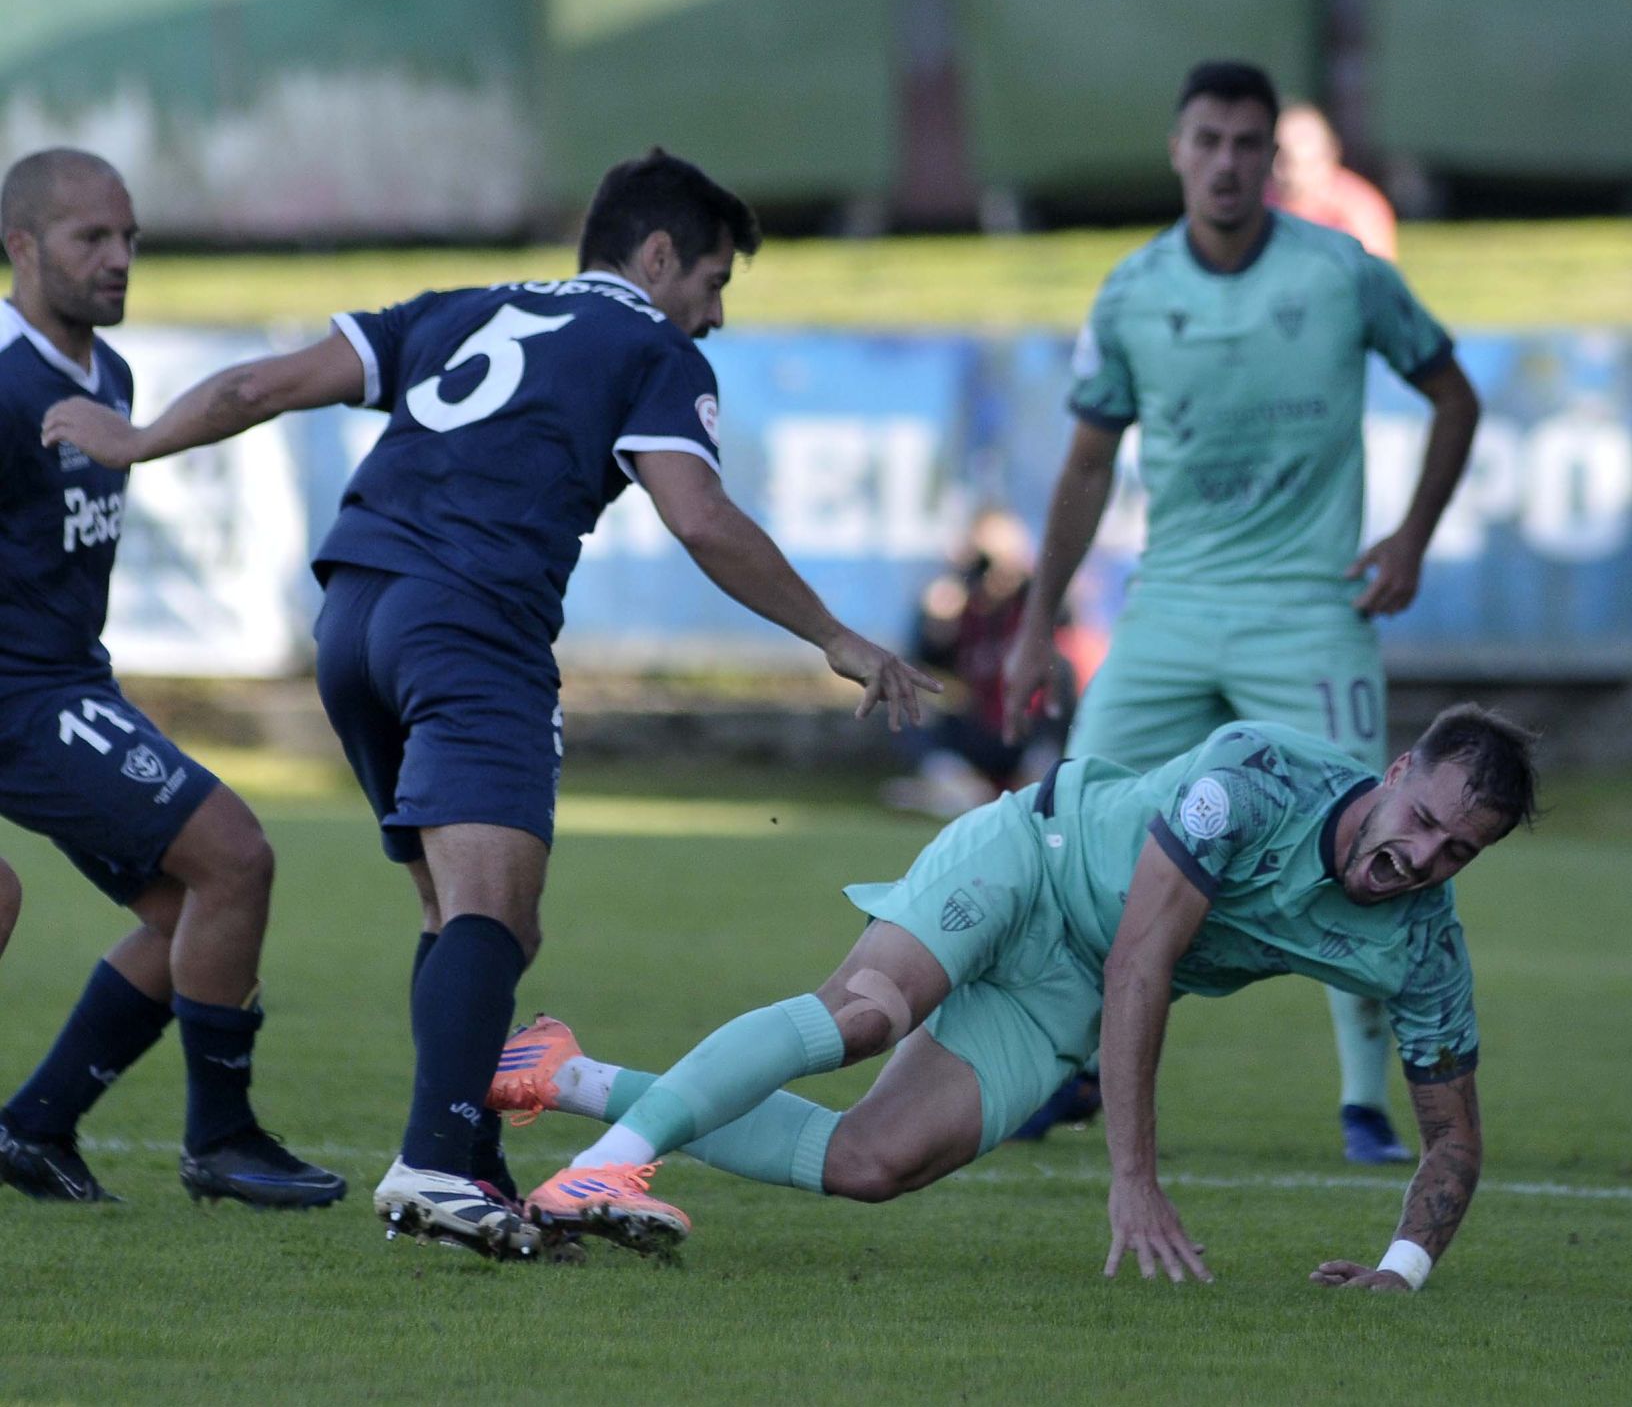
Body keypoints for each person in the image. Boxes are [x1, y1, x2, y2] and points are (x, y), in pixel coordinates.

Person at [43, 148, 938, 1258]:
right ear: (657, 257)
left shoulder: (461, 307)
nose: (710, 320)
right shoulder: (648, 347)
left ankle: (466, 1162)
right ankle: (430, 1162)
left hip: (355, 617)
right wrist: (836, 637)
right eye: (711, 285)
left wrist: (134, 441)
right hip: (472, 625)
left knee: (465, 913)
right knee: (490, 913)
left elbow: (254, 386)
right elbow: (700, 517)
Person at [487, 704, 1536, 1288]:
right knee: (863, 1016)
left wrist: (1403, 1272)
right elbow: (1143, 964)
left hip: (1065, 986)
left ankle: (563, 1075)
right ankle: (600, 1173)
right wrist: (1134, 1176)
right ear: (1397, 770)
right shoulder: (1253, 775)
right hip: (1033, 859)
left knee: (871, 1164)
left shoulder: (1423, 949)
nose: (1426, 856)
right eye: (1425, 818)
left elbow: (1455, 1142)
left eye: (1460, 851)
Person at [1000, 62, 1481, 1165]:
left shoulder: (1343, 274)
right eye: (1207, 140)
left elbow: (1455, 394)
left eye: (1246, 144)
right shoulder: (1130, 292)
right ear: (1177, 149)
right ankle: (1058, 1068)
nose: (1226, 162)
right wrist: (1038, 621)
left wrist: (1409, 537)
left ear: (1276, 157)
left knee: (1378, 850)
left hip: (1308, 615)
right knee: (1065, 829)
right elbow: (1083, 465)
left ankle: (1366, 1103)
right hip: (1167, 607)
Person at [0, 148, 345, 1208]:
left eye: (129, 237)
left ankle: (37, 1126)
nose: (118, 260)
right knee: (233, 856)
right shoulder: (5, 382)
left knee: (188, 908)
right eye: (89, 239)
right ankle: (221, 1140)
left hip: (68, 684)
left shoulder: (110, 377)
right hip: (20, 697)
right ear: (21, 247)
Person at [881, 508, 1073, 820]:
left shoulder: (1036, 605)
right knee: (908, 697)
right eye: (984, 560)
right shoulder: (954, 602)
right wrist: (937, 626)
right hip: (974, 729)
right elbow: (920, 666)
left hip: (1027, 729)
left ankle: (1033, 781)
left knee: (1064, 676)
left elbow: (1067, 631)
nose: (993, 573)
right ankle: (956, 782)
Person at [1266, 101, 1399, 261]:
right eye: (1277, 158)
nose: (1281, 171)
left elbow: (1377, 277)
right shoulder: (1258, 202)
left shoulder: (1359, 210)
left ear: (1329, 155)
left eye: (1293, 163)